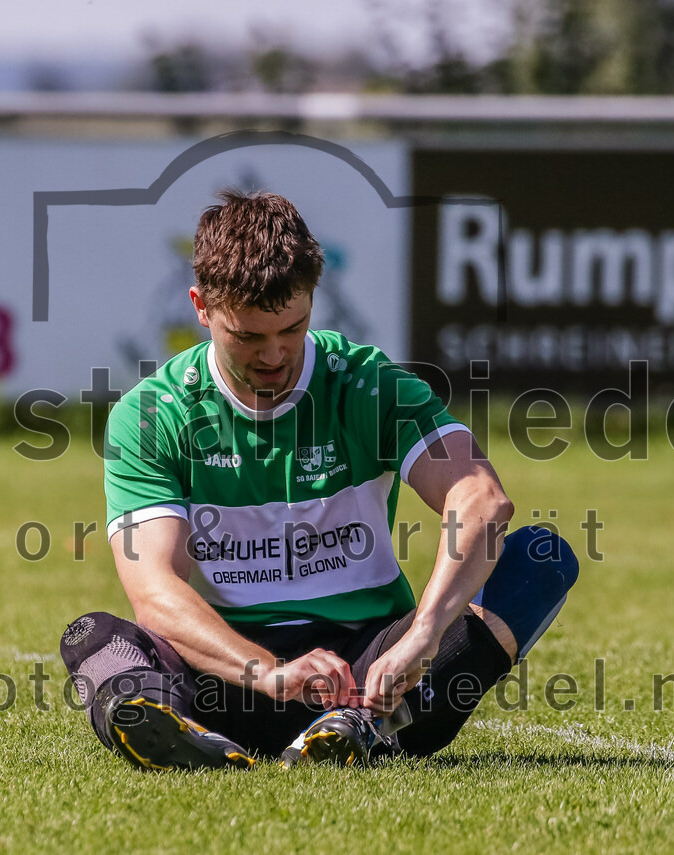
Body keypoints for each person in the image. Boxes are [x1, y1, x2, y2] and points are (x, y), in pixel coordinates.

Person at [61, 189, 579, 770]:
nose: (274, 355)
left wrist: (424, 636)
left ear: (313, 297)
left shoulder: (367, 384)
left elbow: (481, 498)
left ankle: (361, 727)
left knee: (540, 558)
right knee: (94, 640)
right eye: (248, 337)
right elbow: (155, 592)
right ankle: (191, 734)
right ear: (201, 308)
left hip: (368, 676)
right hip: (228, 675)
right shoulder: (151, 415)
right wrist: (270, 673)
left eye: (293, 327)